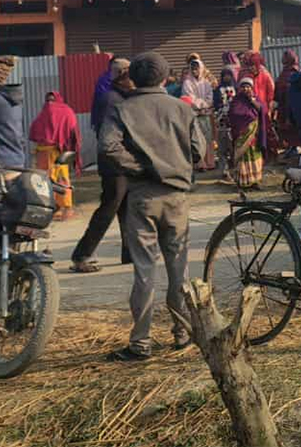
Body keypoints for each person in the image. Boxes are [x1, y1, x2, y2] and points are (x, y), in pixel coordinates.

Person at [100, 52, 204, 361]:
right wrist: (176, 164)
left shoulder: (122, 109)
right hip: (177, 197)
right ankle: (182, 333)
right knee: (179, 270)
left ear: (133, 77)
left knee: (145, 271)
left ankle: (140, 343)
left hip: (142, 197)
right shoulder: (182, 109)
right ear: (165, 78)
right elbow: (198, 150)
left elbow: (108, 147)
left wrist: (139, 168)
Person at [71, 60, 134, 272]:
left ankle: (130, 251)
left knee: (126, 206)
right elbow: (109, 137)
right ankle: (82, 254)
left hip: (122, 160)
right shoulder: (111, 98)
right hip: (114, 162)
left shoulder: (118, 96)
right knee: (109, 207)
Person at [28, 92, 81, 221]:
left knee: (44, 181)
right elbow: (73, 130)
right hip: (58, 153)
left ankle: (51, 208)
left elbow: (33, 131)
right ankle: (66, 209)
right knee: (61, 180)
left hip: (43, 153)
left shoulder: (43, 113)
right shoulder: (66, 111)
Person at [226, 77, 267, 189]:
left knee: (255, 155)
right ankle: (244, 182)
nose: (245, 89)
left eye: (248, 86)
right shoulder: (236, 100)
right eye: (243, 86)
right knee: (243, 157)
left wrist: (252, 101)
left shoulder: (255, 98)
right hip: (241, 135)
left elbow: (262, 110)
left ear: (251, 87)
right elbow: (233, 114)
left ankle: (255, 181)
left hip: (254, 135)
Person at [181, 55, 216, 172]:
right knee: (196, 138)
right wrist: (200, 105)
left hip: (205, 115)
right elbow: (188, 97)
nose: (195, 71)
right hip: (194, 114)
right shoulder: (187, 82)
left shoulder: (206, 83)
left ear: (201, 69)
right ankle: (200, 164)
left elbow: (210, 98)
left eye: (197, 68)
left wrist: (203, 105)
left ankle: (209, 162)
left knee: (207, 138)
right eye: (193, 69)